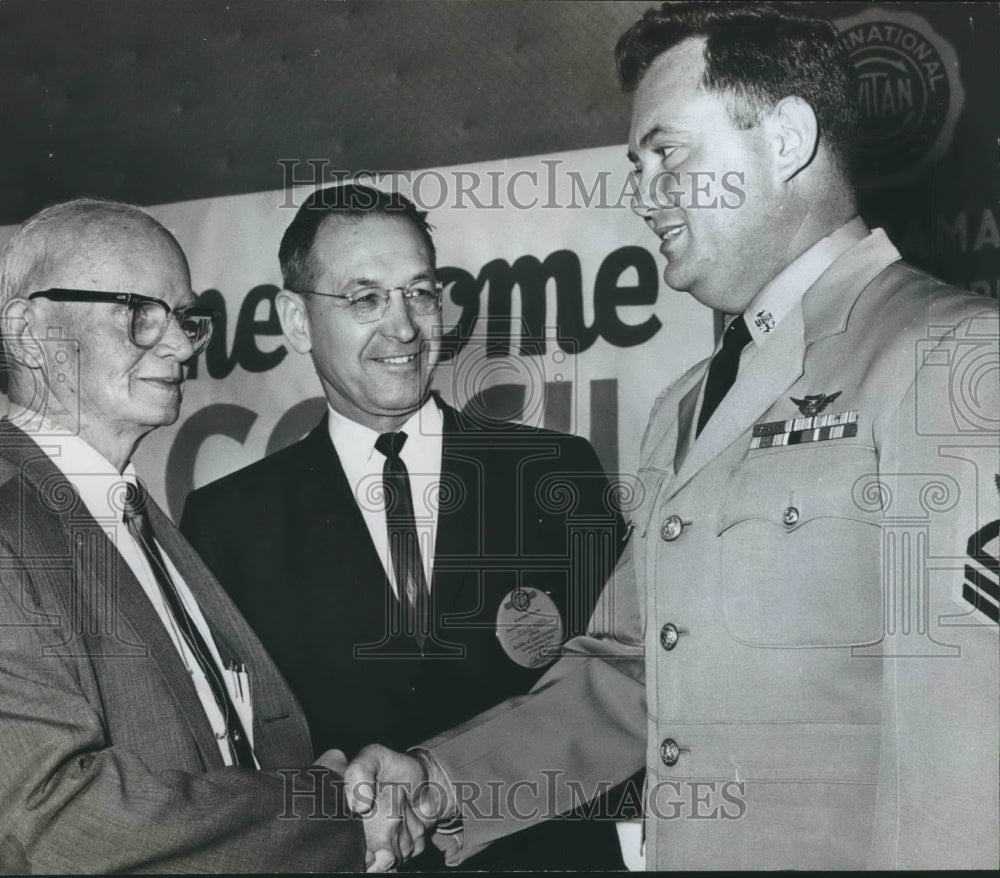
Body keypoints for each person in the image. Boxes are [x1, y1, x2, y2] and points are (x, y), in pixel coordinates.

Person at [344, 2, 1000, 871]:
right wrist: (442, 778)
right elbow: (630, 674)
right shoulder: (690, 404)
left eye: (668, 152)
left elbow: (974, 742)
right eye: (636, 162)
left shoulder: (949, 355)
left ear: (786, 138)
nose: (641, 192)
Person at [179, 184, 631, 870]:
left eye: (420, 293)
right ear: (296, 321)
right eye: (365, 299)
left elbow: (624, 693)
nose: (405, 328)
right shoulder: (227, 525)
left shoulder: (557, 475)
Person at [0, 198, 363, 872]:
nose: (179, 345)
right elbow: (50, 819)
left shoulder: (135, 511)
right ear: (26, 333)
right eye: (138, 313)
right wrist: (331, 814)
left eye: (186, 317)